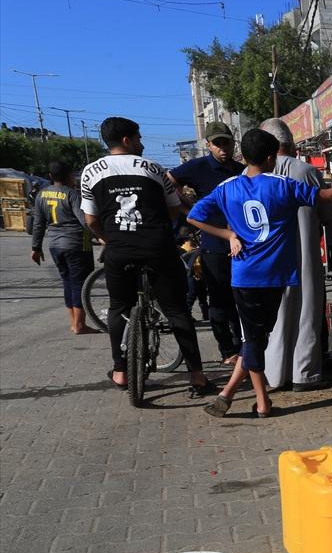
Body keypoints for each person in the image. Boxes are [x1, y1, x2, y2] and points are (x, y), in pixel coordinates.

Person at [186, 129, 332, 418]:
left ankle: (244, 396)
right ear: (271, 158)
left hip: (243, 275)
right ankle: (248, 399)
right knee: (256, 338)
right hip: (275, 276)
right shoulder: (282, 185)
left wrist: (228, 234)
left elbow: (193, 216)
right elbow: (327, 196)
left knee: (255, 338)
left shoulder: (227, 187)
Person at [81, 117, 211, 394]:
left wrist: (108, 238)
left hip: (118, 250)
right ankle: (197, 375)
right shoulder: (153, 168)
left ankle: (120, 371)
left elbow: (90, 219)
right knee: (176, 310)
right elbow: (173, 208)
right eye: (139, 138)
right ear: (127, 140)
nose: (141, 144)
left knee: (118, 308)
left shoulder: (90, 171)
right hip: (157, 247)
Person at [257, 118, 332, 392]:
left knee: (274, 315)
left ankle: (273, 374)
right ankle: (304, 374)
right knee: (306, 310)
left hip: (266, 259)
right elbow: (327, 214)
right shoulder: (306, 172)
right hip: (304, 255)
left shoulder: (251, 175)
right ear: (291, 145)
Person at [168, 121, 245, 365]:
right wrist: (187, 209)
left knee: (241, 298)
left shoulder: (241, 170)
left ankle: (243, 347)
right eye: (217, 144)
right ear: (208, 145)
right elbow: (169, 181)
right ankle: (227, 350)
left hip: (242, 245)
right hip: (214, 244)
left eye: (227, 143)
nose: (223, 148)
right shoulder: (198, 166)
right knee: (219, 299)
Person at [31, 160, 98, 334]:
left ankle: (74, 322)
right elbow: (84, 221)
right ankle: (80, 325)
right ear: (70, 176)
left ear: (50, 176)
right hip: (77, 244)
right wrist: (100, 235)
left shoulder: (41, 195)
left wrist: (36, 247)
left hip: (55, 245)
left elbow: (38, 224)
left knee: (67, 282)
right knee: (80, 284)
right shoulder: (72, 194)